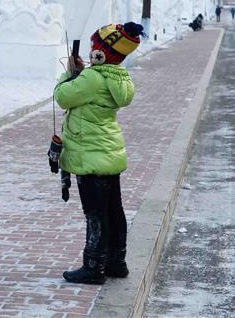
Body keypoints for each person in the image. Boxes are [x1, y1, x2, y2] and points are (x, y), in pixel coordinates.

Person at [55, 22, 144, 285]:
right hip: (108, 151)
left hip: (89, 154)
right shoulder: (117, 75)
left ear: (101, 53)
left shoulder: (92, 78)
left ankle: (93, 267)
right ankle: (116, 262)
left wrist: (69, 74)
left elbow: (63, 97)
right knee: (114, 209)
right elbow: (91, 87)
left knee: (95, 213)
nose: (93, 49)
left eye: (96, 45)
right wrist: (83, 73)